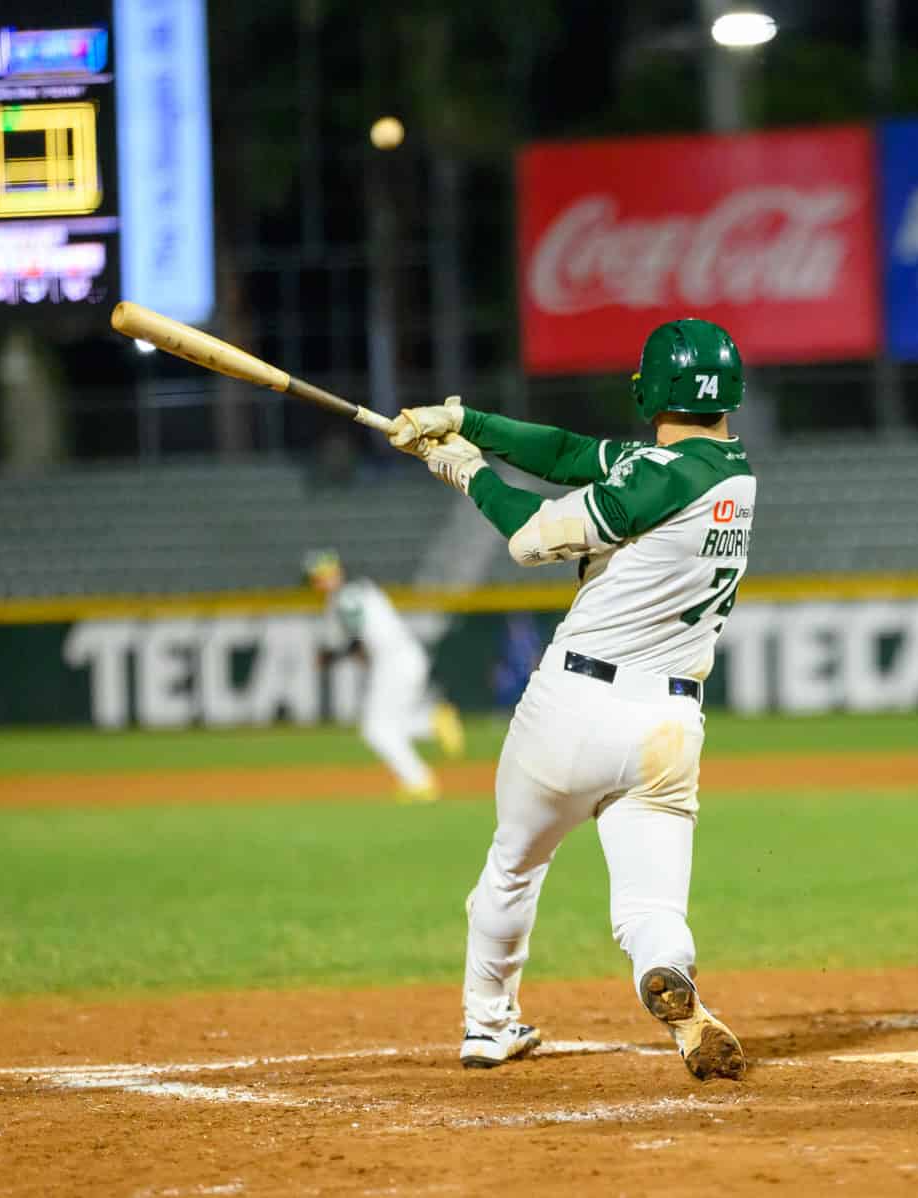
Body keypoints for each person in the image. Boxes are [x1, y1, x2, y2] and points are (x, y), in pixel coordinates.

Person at [388, 318, 754, 1080]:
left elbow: (529, 538)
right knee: (651, 906)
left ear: (650, 388)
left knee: (513, 868)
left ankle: (488, 1025)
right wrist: (466, 423)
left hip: (571, 707)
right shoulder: (719, 471)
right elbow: (566, 454)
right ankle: (670, 977)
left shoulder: (661, 478)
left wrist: (466, 473)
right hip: (667, 726)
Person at [305, 549, 465, 802]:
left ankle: (420, 782)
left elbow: (352, 639)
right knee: (390, 727)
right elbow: (362, 637)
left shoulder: (342, 599)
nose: (321, 581)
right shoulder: (364, 587)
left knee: (376, 730)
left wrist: (330, 658)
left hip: (393, 662)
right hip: (405, 656)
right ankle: (432, 723)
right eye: (318, 577)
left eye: (323, 575)